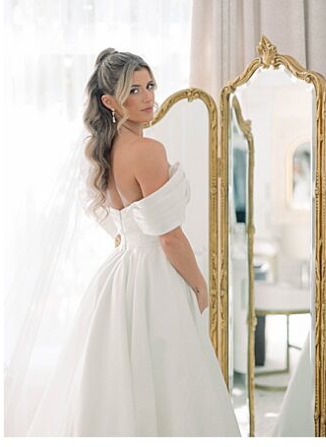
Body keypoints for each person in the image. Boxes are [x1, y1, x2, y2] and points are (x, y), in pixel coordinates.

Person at [14, 49, 240, 436]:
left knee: (118, 381)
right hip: (156, 276)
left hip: (120, 274)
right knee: (173, 379)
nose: (148, 97)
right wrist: (200, 284)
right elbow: (168, 236)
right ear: (110, 101)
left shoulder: (105, 151)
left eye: (150, 85)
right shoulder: (148, 151)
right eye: (133, 90)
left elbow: (120, 225)